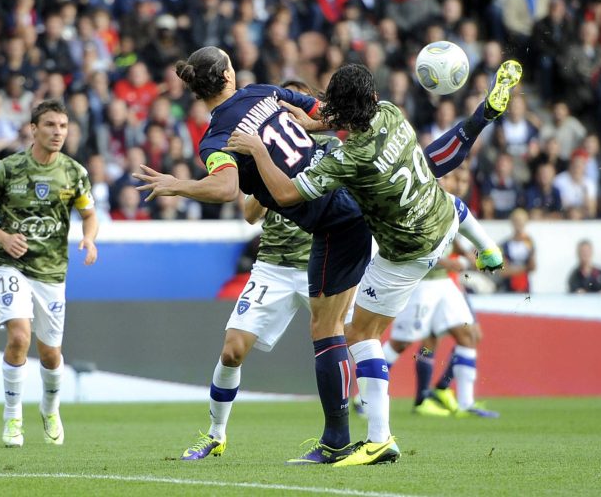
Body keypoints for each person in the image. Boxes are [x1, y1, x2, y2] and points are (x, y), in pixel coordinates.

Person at [225, 61, 518, 466]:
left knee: (358, 332)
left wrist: (259, 149)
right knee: (434, 178)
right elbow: (353, 123)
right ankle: (489, 246)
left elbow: (288, 193)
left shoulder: (346, 160)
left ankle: (379, 437)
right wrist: (313, 127)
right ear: (374, 98)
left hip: (409, 252)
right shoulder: (391, 115)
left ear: (339, 110)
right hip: (444, 219)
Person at [134, 47, 372, 465]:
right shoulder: (262, 94)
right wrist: (308, 125)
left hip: (332, 224)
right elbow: (328, 114)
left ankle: (358, 434)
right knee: (237, 348)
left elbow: (225, 189)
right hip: (301, 244)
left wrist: (177, 184)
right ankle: (218, 434)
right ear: (228, 74)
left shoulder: (217, 138)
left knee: (341, 334)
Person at [0, 100, 99, 448]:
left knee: (51, 353)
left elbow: (88, 214)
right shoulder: (7, 169)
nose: (57, 132)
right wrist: (3, 237)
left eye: (63, 126)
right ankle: (12, 416)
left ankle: (50, 409)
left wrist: (89, 238)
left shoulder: (74, 172)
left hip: (51, 272)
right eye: (50, 125)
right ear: (33, 129)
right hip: (11, 265)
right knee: (19, 338)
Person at [182, 195, 313, 460]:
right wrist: (266, 182)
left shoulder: (329, 153)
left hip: (322, 264)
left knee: (356, 339)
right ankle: (216, 433)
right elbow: (251, 215)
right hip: (272, 268)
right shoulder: (269, 156)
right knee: (232, 351)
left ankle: (374, 436)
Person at [380, 170, 499, 419]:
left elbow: (452, 238)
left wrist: (468, 255)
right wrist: (449, 263)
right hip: (421, 284)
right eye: (448, 178)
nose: (454, 183)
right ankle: (367, 395)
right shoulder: (417, 206)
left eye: (457, 179)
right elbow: (412, 248)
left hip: (444, 284)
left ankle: (462, 401)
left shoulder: (451, 207)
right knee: (403, 343)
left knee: (467, 335)